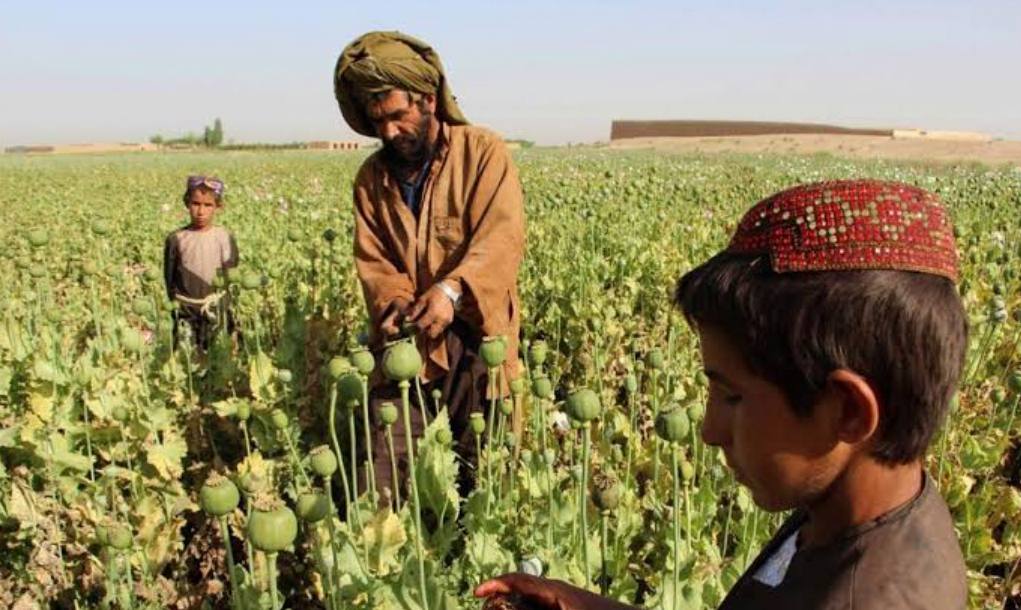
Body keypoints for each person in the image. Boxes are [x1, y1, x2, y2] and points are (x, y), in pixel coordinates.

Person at [476, 180, 968, 609]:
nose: (710, 432)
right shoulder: (856, 508)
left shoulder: (866, 596)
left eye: (732, 397)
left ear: (848, 412)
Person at [333, 31, 525, 497]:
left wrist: (451, 291)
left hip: (478, 342)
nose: (388, 132)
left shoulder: (482, 153)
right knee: (382, 483)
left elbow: (501, 240)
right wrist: (395, 302)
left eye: (397, 116)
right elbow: (376, 262)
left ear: (428, 100)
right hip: (408, 346)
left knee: (484, 482)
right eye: (377, 121)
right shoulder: (372, 179)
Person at [163, 175, 239, 349]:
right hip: (186, 311)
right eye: (196, 204)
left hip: (216, 309)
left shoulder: (224, 238)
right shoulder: (176, 239)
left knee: (218, 353)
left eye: (208, 205)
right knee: (187, 354)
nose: (201, 211)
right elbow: (170, 279)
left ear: (218, 206)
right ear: (187, 204)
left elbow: (232, 276)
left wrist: (225, 307)